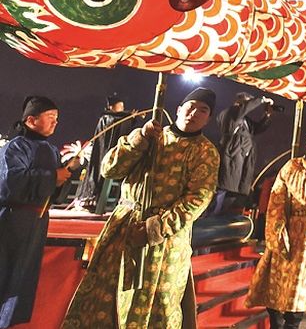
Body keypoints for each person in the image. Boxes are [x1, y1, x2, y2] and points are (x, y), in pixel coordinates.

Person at [63, 87, 220, 329]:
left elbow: (197, 199)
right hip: (124, 228)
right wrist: (139, 141)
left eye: (203, 110)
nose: (194, 113)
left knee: (157, 304)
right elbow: (109, 169)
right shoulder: (150, 136)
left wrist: (154, 228)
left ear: (208, 119)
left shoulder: (206, 152)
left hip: (165, 242)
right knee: (105, 296)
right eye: (191, 107)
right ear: (179, 109)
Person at [247, 123, 306, 328]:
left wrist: (295, 172)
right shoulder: (293, 164)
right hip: (284, 227)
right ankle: (275, 322)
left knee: (298, 286)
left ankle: (292, 324)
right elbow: (276, 197)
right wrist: (277, 229)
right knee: (272, 281)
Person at [0, 96, 73, 328]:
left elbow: (55, 193)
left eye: (57, 119)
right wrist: (53, 177)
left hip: (38, 221)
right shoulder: (15, 147)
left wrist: (64, 178)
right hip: (13, 220)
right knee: (6, 270)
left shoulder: (51, 150)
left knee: (23, 277)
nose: (55, 123)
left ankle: (9, 322)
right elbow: (12, 182)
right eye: (50, 118)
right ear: (31, 120)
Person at [213, 91, 276, 214]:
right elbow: (243, 110)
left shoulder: (244, 120)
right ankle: (210, 220)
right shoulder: (230, 113)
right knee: (223, 193)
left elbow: (258, 128)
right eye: (247, 102)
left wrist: (267, 115)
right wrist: (261, 100)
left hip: (242, 161)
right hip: (231, 157)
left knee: (233, 197)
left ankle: (223, 221)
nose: (249, 105)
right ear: (239, 101)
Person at [73, 94, 133, 212]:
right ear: (111, 107)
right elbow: (116, 122)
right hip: (103, 151)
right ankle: (92, 200)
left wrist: (131, 118)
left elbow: (122, 124)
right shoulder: (106, 118)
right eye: (119, 106)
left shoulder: (119, 118)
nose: (121, 108)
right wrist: (128, 116)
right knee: (98, 173)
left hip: (112, 150)